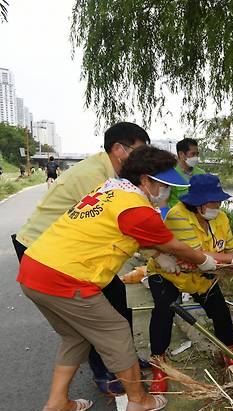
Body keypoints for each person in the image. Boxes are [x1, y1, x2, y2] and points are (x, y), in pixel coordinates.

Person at [16, 146, 220, 411]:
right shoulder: (136, 207)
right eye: (163, 185)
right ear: (145, 180)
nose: (167, 193)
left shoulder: (110, 189)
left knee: (75, 337)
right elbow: (171, 244)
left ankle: (56, 404)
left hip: (34, 268)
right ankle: (138, 400)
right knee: (116, 332)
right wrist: (204, 260)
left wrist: (159, 254)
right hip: (65, 278)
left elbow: (135, 235)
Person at [12, 122, 151, 395]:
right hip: (41, 248)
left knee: (115, 299)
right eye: (139, 152)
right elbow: (115, 223)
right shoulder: (98, 177)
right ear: (118, 149)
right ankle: (108, 374)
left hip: (63, 250)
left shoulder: (109, 171)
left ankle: (123, 363)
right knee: (95, 316)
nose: (143, 160)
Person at [147, 173, 233, 392]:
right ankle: (159, 364)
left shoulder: (221, 218)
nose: (219, 204)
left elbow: (232, 247)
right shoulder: (178, 217)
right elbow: (195, 255)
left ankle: (228, 354)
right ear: (197, 203)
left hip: (203, 278)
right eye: (213, 201)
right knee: (164, 311)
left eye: (219, 200)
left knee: (221, 313)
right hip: (170, 274)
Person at [167, 138, 205, 208]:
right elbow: (164, 201)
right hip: (177, 216)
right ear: (181, 154)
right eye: (193, 154)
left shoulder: (202, 174)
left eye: (197, 154)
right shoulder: (171, 175)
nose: (196, 157)